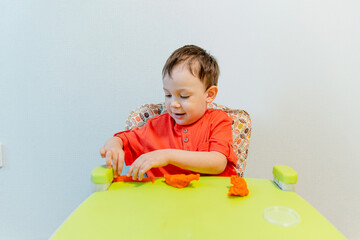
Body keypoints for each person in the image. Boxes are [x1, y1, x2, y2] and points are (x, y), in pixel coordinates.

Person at [100, 45, 238, 180]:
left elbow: (217, 163)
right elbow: (122, 140)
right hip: (166, 201)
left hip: (213, 199)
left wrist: (166, 156)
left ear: (209, 94)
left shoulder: (218, 120)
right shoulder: (155, 127)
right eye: (168, 95)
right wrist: (113, 145)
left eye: (184, 96)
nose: (173, 104)